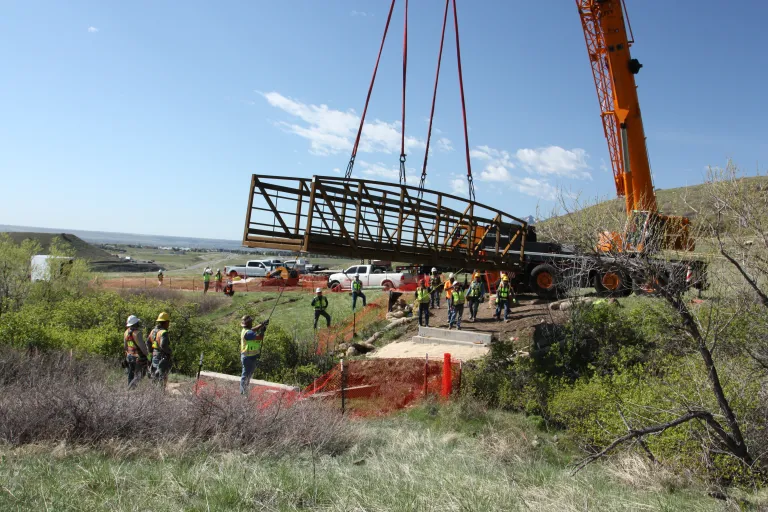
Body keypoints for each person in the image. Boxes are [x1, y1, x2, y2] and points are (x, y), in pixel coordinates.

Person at [239, 315, 268, 396]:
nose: (252, 323)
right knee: (246, 376)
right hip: (248, 357)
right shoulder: (248, 333)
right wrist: (262, 331)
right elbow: (259, 338)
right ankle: (244, 394)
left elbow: (253, 329)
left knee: (247, 375)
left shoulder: (246, 330)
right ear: (248, 323)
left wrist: (262, 324)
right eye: (251, 322)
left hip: (248, 356)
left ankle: (244, 392)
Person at [124, 315, 148, 389]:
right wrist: (148, 356)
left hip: (129, 356)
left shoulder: (126, 332)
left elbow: (125, 346)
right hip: (138, 358)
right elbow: (142, 347)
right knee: (139, 375)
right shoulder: (137, 333)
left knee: (130, 374)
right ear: (136, 323)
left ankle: (129, 390)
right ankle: (131, 389)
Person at [148, 312, 172, 387]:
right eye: (168, 322)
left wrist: (152, 352)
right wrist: (169, 352)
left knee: (154, 376)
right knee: (162, 376)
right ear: (165, 322)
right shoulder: (164, 332)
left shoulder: (153, 331)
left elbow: (148, 343)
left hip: (154, 356)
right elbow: (163, 346)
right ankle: (160, 395)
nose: (168, 324)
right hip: (162, 357)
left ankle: (153, 394)